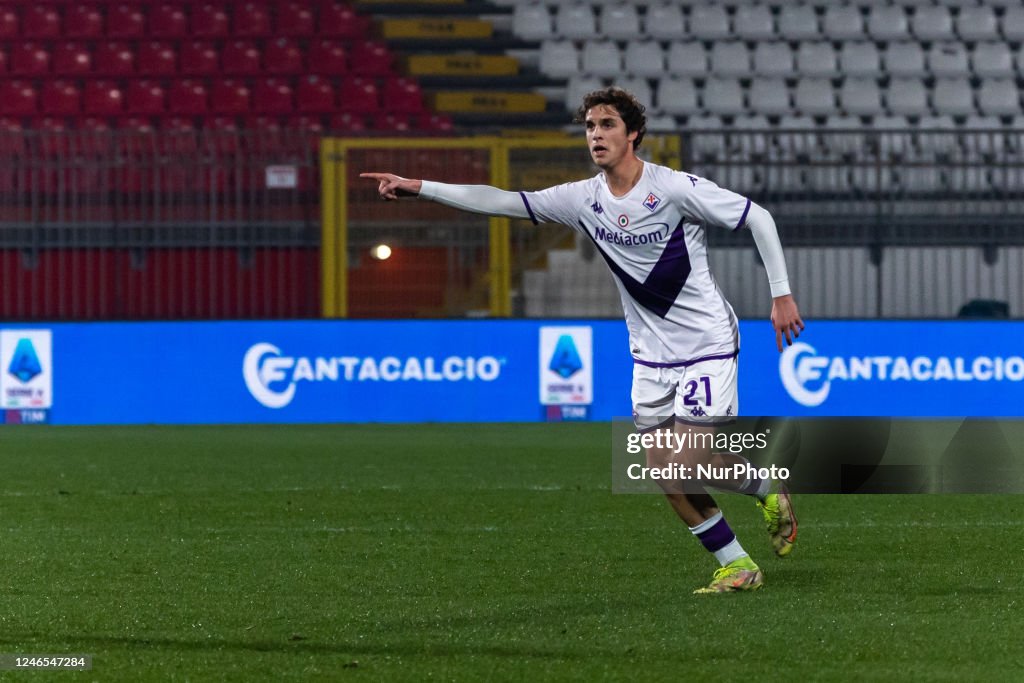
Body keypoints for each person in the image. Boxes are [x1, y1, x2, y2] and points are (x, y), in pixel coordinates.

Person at [362, 87, 804, 594]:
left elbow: (758, 218)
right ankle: (736, 564)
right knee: (664, 474)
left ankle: (767, 487)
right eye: (590, 126)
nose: (596, 134)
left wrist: (781, 296)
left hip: (706, 341)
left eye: (607, 125)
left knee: (690, 459)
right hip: (649, 355)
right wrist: (420, 187)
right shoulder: (582, 198)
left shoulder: (675, 188)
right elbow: (502, 200)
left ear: (632, 133)